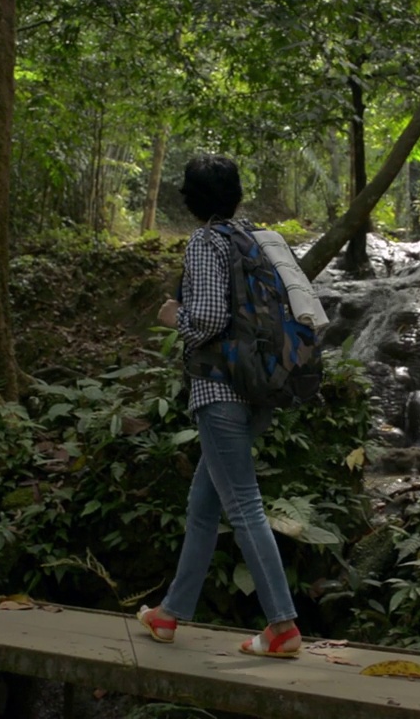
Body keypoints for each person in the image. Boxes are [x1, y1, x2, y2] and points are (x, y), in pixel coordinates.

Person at [137, 155, 302, 659]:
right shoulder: (256, 239)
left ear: (192, 200)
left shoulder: (206, 242)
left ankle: (282, 625)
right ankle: (170, 613)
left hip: (220, 390)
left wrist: (174, 316)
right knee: (203, 504)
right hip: (260, 391)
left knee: (243, 505)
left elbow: (207, 318)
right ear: (235, 195)